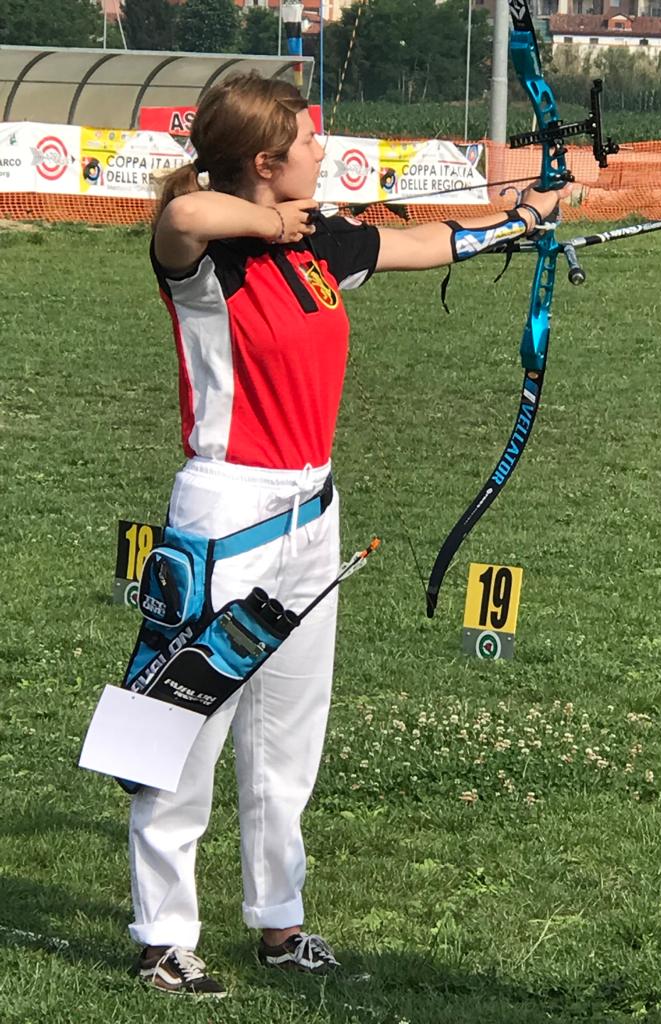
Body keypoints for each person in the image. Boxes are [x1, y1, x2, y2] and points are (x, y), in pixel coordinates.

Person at [130, 71, 566, 998]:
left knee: (286, 736)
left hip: (311, 512)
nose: (320, 150)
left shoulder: (316, 241)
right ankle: (162, 938)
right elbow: (183, 216)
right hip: (227, 516)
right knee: (181, 728)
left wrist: (525, 215)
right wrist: (271, 224)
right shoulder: (207, 259)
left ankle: (279, 924)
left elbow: (425, 241)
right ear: (263, 161)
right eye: (305, 139)